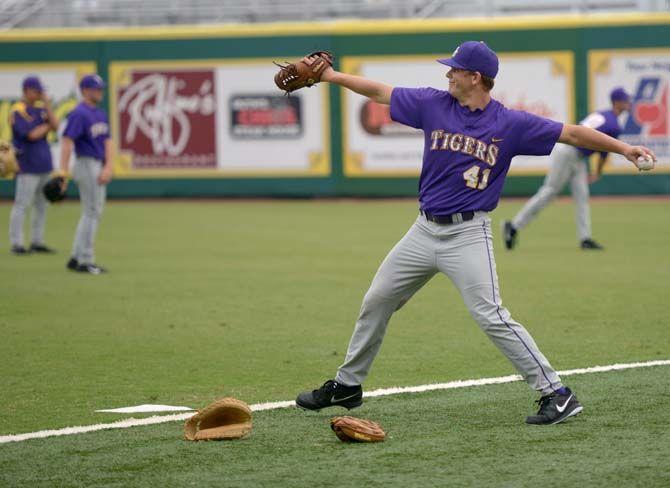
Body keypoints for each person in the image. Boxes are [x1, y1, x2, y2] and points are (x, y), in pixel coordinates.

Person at [295, 42, 655, 425]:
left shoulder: (510, 124)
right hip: (423, 230)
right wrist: (331, 77)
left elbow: (574, 135)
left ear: (475, 77)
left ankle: (557, 393)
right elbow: (380, 92)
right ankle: (349, 385)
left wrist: (623, 148)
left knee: (491, 315)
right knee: (377, 299)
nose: (448, 74)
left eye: (455, 69)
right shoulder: (433, 104)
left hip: (468, 234)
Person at [503, 87, 632, 251]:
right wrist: (597, 173)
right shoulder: (613, 124)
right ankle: (513, 226)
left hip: (577, 156)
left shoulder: (603, 114)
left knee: (582, 196)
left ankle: (585, 238)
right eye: (626, 100)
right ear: (617, 102)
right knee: (549, 191)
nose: (629, 103)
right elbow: (604, 153)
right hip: (569, 152)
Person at [58, 74, 113, 274]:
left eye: (100, 88)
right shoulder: (79, 114)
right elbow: (66, 142)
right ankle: (86, 260)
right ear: (85, 91)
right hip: (85, 163)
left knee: (91, 212)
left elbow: (108, 141)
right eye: (96, 89)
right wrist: (62, 172)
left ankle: (75, 256)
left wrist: (109, 166)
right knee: (92, 212)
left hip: (98, 164)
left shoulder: (100, 113)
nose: (100, 92)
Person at [8, 76, 59, 255]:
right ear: (27, 90)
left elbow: (56, 125)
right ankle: (17, 243)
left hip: (44, 162)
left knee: (41, 205)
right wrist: (47, 126)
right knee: (22, 204)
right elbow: (31, 134)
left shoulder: (40, 109)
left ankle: (37, 241)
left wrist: (47, 107)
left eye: (41, 91)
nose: (40, 94)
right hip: (26, 164)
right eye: (37, 91)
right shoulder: (18, 110)